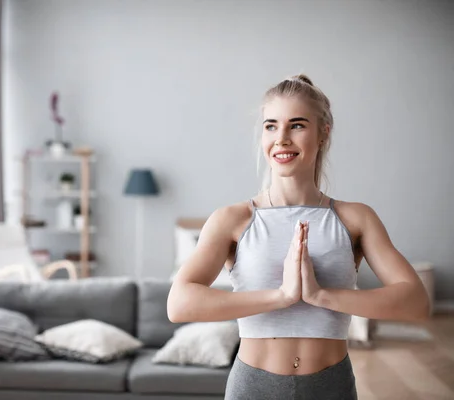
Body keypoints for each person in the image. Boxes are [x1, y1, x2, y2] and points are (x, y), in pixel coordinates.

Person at [167, 74, 430, 400]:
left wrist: (321, 296)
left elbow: (416, 303)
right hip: (253, 388)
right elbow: (179, 305)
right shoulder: (233, 220)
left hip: (331, 386)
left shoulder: (355, 218)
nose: (282, 138)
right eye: (271, 126)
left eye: (297, 125)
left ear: (323, 133)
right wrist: (282, 296)